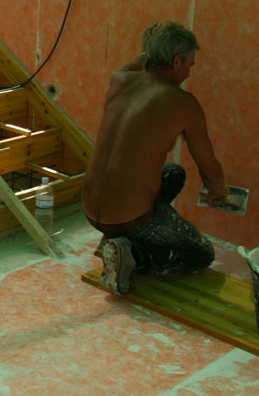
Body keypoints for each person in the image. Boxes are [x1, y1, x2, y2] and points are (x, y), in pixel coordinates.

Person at [82, 21, 233, 296]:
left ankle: (111, 240)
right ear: (177, 61)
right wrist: (218, 192)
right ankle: (132, 255)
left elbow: (140, 62)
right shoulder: (183, 103)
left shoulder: (120, 78)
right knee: (201, 253)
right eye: (189, 64)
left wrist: (151, 48)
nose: (189, 71)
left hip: (91, 208)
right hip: (129, 216)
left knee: (174, 173)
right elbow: (208, 167)